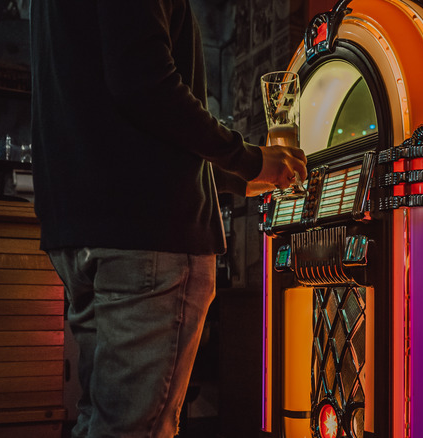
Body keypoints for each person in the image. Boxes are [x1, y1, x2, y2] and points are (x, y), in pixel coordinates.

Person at [30, 1, 307, 437]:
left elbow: (104, 111)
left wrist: (231, 177)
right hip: (147, 234)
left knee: (101, 419)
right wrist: (248, 159)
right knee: (134, 427)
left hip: (84, 230)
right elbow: (145, 83)